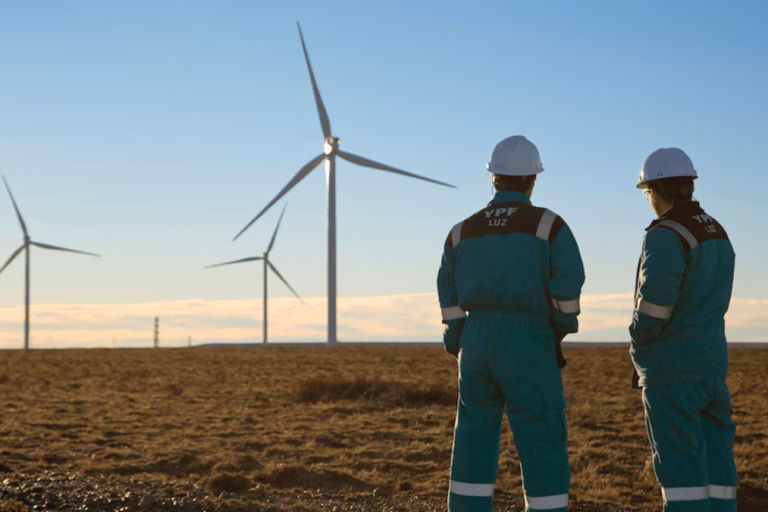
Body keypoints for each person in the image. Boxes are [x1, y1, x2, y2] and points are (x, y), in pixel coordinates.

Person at [437, 135, 584, 512]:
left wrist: (459, 336)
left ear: (493, 178)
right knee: (541, 437)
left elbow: (447, 289)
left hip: (475, 343)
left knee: (472, 438)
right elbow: (567, 290)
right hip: (529, 340)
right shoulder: (549, 225)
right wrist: (554, 330)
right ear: (533, 180)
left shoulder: (462, 230)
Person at [630, 148, 738, 511]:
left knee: (681, 475)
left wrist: (638, 340)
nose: (649, 200)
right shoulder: (716, 231)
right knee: (717, 470)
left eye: (647, 193)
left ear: (658, 190)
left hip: (672, 369)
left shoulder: (665, 233)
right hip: (711, 366)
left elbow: (656, 305)